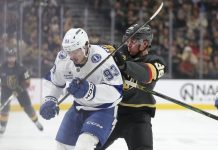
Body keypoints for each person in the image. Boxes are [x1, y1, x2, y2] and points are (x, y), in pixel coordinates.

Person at [39, 28, 123, 150]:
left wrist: (90, 90)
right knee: (62, 146)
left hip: (103, 109)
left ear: (86, 46)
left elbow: (117, 92)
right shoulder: (64, 59)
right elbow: (56, 82)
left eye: (75, 51)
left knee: (84, 144)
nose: (71, 56)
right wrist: (50, 99)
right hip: (78, 107)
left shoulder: (103, 59)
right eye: (68, 51)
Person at [96, 24, 167, 150]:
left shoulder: (156, 61)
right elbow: (95, 56)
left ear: (145, 44)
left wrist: (124, 65)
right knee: (89, 146)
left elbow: (146, 74)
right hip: (111, 112)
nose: (128, 44)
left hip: (138, 117)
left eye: (133, 41)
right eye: (127, 40)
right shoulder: (119, 53)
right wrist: (102, 52)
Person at [0, 48, 43, 134]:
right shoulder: (2, 67)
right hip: (6, 89)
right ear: (7, 57)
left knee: (28, 108)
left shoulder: (22, 68)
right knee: (4, 109)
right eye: (9, 57)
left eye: (12, 57)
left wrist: (19, 89)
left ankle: (36, 121)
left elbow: (28, 80)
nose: (11, 59)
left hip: (20, 89)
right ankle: (3, 126)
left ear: (15, 57)